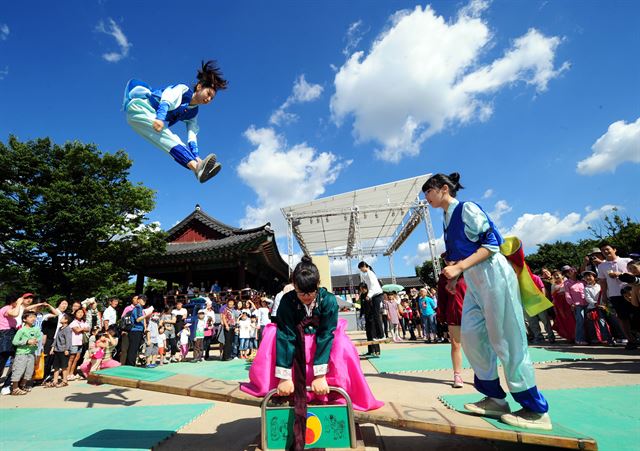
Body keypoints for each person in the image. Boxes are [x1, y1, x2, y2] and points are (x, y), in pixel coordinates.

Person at [423, 172, 550, 430]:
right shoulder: (446, 218)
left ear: (444, 189)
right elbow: (464, 253)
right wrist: (456, 277)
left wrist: (458, 270)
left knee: (507, 340)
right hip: (474, 279)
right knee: (471, 337)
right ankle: (494, 398)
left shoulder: (467, 208)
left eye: (428, 191)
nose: (426, 197)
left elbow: (491, 244)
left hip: (494, 274)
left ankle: (535, 410)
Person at [241, 256, 383, 451]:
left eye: (311, 291)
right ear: (294, 286)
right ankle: (280, 385)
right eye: (301, 292)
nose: (306, 296)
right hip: (295, 340)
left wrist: (320, 375)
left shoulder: (329, 300)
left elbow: (326, 335)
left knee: (342, 344)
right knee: (272, 336)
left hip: (320, 341)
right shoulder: (287, 301)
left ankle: (332, 389)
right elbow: (286, 335)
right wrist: (283, 377)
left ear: (318, 284)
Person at [123, 60, 228, 183]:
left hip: (145, 118)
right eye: (208, 93)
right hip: (140, 107)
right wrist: (160, 117)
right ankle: (197, 167)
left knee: (169, 140)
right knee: (167, 135)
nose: (209, 99)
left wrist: (198, 156)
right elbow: (168, 98)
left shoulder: (193, 113)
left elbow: (192, 135)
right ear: (199, 87)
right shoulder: (183, 90)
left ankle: (197, 168)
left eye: (212, 98)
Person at [597, 242, 637, 350]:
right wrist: (604, 295)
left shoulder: (627, 261)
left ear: (614, 249)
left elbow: (636, 274)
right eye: (603, 250)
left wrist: (620, 275)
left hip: (631, 292)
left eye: (607, 249)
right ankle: (631, 340)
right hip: (615, 295)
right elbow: (603, 282)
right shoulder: (601, 266)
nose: (605, 252)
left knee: (635, 316)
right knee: (622, 318)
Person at [437, 271, 466, 388]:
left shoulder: (470, 270)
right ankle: (457, 375)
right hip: (453, 313)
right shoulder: (444, 276)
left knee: (477, 346)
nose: (448, 260)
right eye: (446, 258)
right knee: (455, 345)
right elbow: (441, 296)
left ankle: (483, 377)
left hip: (473, 312)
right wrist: (441, 314)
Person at [9, 311, 42, 395]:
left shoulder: (36, 329)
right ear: (24, 319)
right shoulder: (21, 330)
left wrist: (36, 341)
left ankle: (22, 385)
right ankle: (15, 388)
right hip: (21, 354)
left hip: (31, 353)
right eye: (30, 317)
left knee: (29, 371)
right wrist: (27, 341)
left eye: (34, 317)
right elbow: (15, 342)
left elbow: (38, 337)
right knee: (19, 370)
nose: (33, 318)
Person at [582, 270, 613, 345]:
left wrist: (604, 304)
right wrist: (595, 303)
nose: (588, 278)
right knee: (594, 324)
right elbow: (588, 298)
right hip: (593, 308)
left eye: (590, 276)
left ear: (594, 277)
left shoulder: (599, 286)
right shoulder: (586, 288)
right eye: (586, 277)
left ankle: (607, 338)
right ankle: (597, 339)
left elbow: (605, 294)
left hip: (604, 307)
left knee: (605, 323)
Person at [358, 261, 385, 342]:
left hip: (376, 295)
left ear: (364, 266)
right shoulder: (367, 274)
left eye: (361, 268)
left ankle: (381, 335)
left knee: (376, 315)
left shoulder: (370, 273)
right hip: (374, 295)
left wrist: (368, 295)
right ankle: (378, 334)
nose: (361, 270)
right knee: (374, 315)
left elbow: (373, 286)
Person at [562, 266, 588, 345]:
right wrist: (571, 303)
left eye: (571, 271)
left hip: (587, 303)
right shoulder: (567, 283)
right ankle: (579, 339)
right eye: (567, 272)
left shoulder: (582, 281)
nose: (570, 273)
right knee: (580, 321)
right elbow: (567, 294)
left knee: (588, 321)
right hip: (577, 305)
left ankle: (590, 338)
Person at [46, 314, 72, 388]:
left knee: (64, 366)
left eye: (63, 318)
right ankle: (55, 381)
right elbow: (56, 338)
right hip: (57, 350)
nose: (61, 319)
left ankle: (65, 381)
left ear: (66, 320)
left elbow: (68, 340)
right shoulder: (60, 328)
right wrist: (52, 347)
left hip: (64, 350)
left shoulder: (68, 329)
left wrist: (67, 349)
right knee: (56, 366)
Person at [550, 270, 575, 341]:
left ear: (562, 275)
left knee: (571, 318)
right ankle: (568, 336)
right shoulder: (553, 285)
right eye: (554, 275)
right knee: (563, 319)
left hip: (568, 302)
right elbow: (553, 296)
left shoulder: (566, 282)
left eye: (558, 274)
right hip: (559, 305)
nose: (556, 276)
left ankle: (575, 335)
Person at [67, 309, 89, 380]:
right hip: (74, 342)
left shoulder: (83, 322)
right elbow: (77, 330)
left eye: (81, 312)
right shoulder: (73, 322)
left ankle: (72, 373)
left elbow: (88, 329)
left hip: (80, 342)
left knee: (77, 358)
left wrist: (81, 328)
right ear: (75, 314)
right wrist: (83, 328)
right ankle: (67, 373)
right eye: (78, 312)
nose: (80, 314)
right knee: (71, 358)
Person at [359, 283, 380, 356]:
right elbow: (362, 306)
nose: (361, 290)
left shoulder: (370, 295)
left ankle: (377, 350)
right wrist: (361, 315)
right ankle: (370, 350)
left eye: (362, 288)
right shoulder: (362, 296)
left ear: (365, 288)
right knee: (368, 333)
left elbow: (374, 306)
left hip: (372, 316)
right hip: (366, 316)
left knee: (373, 333)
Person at [126, 296, 146, 366]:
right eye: (143, 299)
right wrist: (146, 315)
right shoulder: (137, 308)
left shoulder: (140, 308)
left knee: (135, 349)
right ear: (139, 300)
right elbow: (137, 319)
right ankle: (130, 365)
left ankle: (132, 364)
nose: (144, 301)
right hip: (135, 330)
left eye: (145, 300)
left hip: (138, 330)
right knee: (133, 349)